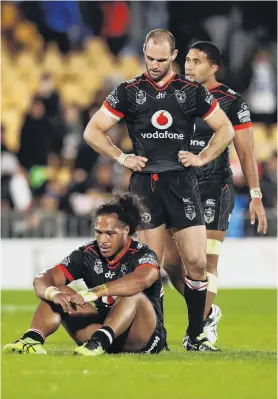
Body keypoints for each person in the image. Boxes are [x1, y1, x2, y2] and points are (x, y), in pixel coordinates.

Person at [82, 29, 235, 351]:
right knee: (152, 267)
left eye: (161, 59)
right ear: (144, 52)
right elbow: (92, 131)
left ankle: (196, 334)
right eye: (150, 58)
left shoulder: (190, 91)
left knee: (195, 262)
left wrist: (203, 156)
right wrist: (121, 156)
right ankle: (157, 338)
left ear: (174, 56)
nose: (154, 65)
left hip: (181, 182)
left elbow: (225, 128)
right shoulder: (128, 91)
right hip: (145, 186)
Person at [163, 41, 268, 345]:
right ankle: (207, 314)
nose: (189, 66)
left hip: (213, 185)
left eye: (197, 61)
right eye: (187, 60)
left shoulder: (232, 101)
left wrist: (256, 195)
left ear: (213, 67)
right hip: (178, 185)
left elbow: (246, 153)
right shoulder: (172, 93)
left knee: (207, 260)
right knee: (171, 263)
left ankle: (197, 332)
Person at [3, 194, 167, 356]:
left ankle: (99, 342)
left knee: (133, 295)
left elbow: (142, 279)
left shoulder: (142, 253)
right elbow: (42, 279)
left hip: (142, 337)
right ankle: (31, 340)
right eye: (98, 232)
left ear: (126, 231)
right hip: (102, 332)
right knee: (60, 289)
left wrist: (93, 293)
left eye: (109, 233)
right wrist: (54, 294)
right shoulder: (87, 253)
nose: (103, 240)